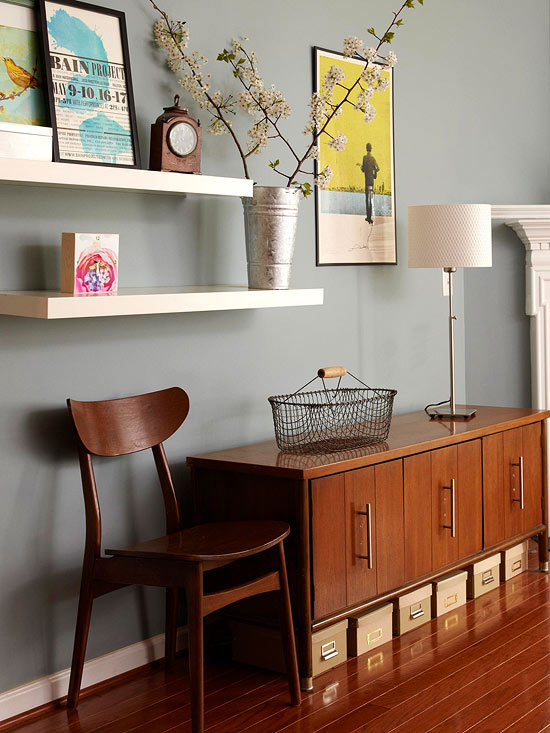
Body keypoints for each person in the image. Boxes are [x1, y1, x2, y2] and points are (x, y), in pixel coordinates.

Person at [360, 143, 379, 224]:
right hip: (371, 182)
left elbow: (363, 169)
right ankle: (370, 218)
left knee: (366, 199)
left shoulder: (364, 158)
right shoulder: (373, 158)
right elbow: (378, 168)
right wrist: (374, 175)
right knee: (371, 199)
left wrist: (361, 166)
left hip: (366, 181)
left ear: (366, 148)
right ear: (371, 148)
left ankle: (368, 217)